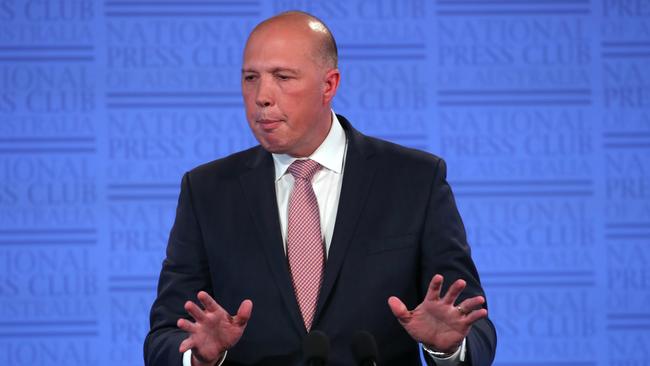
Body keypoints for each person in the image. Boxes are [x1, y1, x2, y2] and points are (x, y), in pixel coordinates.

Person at [144, 11, 496, 366]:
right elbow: (163, 338)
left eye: (282, 77)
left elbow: (472, 324)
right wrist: (199, 357)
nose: (262, 96)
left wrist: (449, 348)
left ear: (329, 85)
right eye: (251, 78)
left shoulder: (416, 181)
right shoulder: (207, 191)